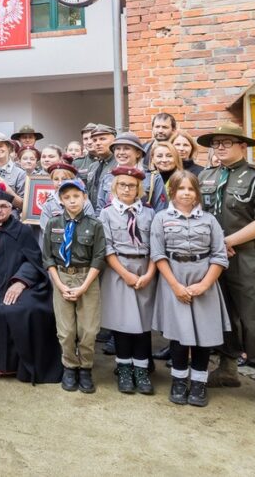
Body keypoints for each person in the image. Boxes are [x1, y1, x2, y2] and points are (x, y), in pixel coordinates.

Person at [196, 124, 255, 413]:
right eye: (215, 143)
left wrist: (228, 241)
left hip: (246, 257)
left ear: (242, 146)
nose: (219, 147)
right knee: (222, 313)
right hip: (213, 258)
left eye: (226, 142)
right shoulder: (206, 176)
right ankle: (227, 367)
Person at [0, 187, 63, 383]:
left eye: (4, 206)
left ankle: (20, 365)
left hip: (15, 282)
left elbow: (33, 260)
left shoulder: (22, 231)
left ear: (11, 209)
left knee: (28, 309)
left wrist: (20, 283)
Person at [151, 170, 231, 407]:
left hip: (204, 278)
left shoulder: (209, 221)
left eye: (190, 189)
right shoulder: (161, 219)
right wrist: (175, 286)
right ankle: (178, 380)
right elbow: (158, 254)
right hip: (174, 279)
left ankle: (198, 382)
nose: (186, 194)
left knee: (203, 336)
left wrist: (205, 284)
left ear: (197, 193)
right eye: (180, 189)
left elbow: (219, 255)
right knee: (180, 335)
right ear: (172, 192)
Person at [41, 178, 106, 394]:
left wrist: (85, 286)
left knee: (88, 330)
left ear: (85, 197)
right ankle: (69, 366)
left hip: (87, 277)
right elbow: (48, 257)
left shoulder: (95, 225)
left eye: (76, 196)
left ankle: (85, 367)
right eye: (67, 197)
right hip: (62, 278)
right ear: (60, 200)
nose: (72, 201)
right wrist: (59, 284)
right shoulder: (53, 223)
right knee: (66, 330)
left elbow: (99, 257)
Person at [99, 166, 157, 395]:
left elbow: (156, 246)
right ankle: (124, 368)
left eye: (131, 185)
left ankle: (141, 370)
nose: (126, 189)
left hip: (144, 269)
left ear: (139, 189)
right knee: (122, 323)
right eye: (122, 185)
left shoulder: (149, 213)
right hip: (119, 270)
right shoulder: (107, 213)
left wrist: (150, 274)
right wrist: (125, 274)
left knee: (143, 324)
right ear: (114, 187)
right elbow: (107, 247)